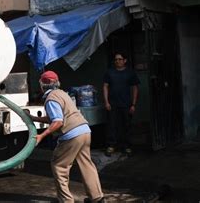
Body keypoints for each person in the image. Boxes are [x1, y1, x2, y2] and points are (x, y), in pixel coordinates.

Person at [28, 70, 104, 203]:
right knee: (86, 164)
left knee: (59, 166)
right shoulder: (62, 94)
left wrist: (42, 135)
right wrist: (34, 118)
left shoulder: (51, 98)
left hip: (72, 135)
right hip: (84, 131)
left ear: (42, 84)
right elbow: (58, 117)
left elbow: (58, 121)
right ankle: (97, 198)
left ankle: (66, 200)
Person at [103, 52, 140, 156]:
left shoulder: (130, 73)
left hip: (126, 104)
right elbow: (105, 86)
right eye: (116, 59)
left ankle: (127, 146)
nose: (117, 61)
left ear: (125, 61)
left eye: (120, 59)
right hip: (112, 104)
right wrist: (106, 102)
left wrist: (133, 104)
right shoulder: (109, 73)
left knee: (126, 125)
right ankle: (111, 146)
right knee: (112, 125)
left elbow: (135, 88)